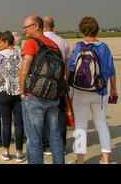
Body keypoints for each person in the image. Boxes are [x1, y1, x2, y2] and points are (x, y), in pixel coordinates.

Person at [68, 17, 118, 164]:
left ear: (81, 30)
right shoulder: (104, 47)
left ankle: (80, 160)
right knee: (102, 124)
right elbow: (111, 70)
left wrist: (73, 52)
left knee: (81, 127)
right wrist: (114, 89)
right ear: (96, 29)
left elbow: (71, 68)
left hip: (80, 92)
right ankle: (106, 160)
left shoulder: (79, 46)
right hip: (100, 91)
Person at [19, 15, 65, 164]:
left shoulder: (31, 43)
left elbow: (25, 68)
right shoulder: (54, 44)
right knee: (55, 136)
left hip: (35, 96)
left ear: (36, 26)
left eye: (26, 27)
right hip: (53, 96)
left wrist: (22, 91)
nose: (24, 31)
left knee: (34, 139)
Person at [0, 31, 26, 162]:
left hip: (4, 91)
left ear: (6, 42)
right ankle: (20, 152)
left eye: (0, 42)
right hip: (19, 91)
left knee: (6, 122)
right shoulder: (21, 53)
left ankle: (6, 151)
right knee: (19, 123)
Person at [42, 16, 71, 156]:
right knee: (60, 114)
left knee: (42, 113)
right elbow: (67, 66)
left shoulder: (37, 41)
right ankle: (61, 145)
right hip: (60, 83)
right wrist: (67, 82)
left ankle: (46, 145)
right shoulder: (63, 42)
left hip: (43, 84)